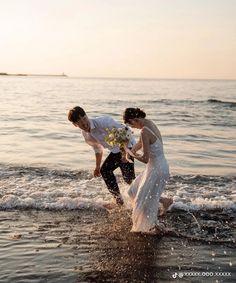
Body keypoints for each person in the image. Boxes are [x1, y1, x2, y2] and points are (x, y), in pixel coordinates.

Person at [68, 106, 136, 206]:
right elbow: (97, 149)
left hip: (128, 146)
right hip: (115, 151)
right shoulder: (86, 135)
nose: (84, 123)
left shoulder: (103, 121)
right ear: (75, 124)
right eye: (79, 121)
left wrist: (124, 153)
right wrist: (97, 167)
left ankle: (145, 196)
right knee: (106, 171)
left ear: (87, 116)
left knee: (129, 179)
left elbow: (125, 131)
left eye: (84, 118)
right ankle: (118, 199)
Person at [123, 107, 173, 235]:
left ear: (134, 120)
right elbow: (142, 142)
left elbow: (145, 159)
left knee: (143, 200)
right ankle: (164, 201)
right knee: (132, 191)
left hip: (157, 169)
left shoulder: (144, 131)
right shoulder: (148, 123)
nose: (132, 127)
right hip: (158, 166)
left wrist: (129, 152)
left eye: (131, 124)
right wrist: (131, 151)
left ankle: (149, 227)